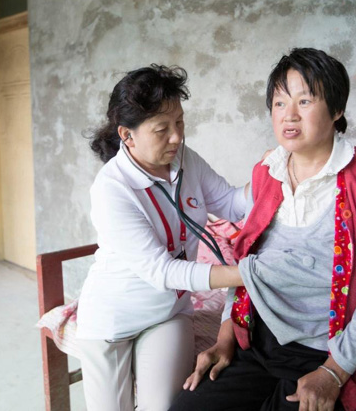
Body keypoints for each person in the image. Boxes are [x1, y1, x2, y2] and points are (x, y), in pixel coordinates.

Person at [171, 48, 356, 411]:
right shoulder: (268, 171)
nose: (288, 115)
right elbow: (249, 262)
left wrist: (334, 372)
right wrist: (226, 335)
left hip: (326, 351)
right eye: (279, 103)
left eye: (304, 101)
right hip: (257, 340)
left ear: (337, 110)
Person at [76, 64, 247, 411]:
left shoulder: (185, 159)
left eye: (179, 123)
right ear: (127, 135)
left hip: (168, 313)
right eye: (162, 129)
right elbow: (162, 271)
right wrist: (245, 275)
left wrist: (274, 172)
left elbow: (232, 203)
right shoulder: (111, 189)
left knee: (166, 408)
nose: (176, 137)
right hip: (112, 319)